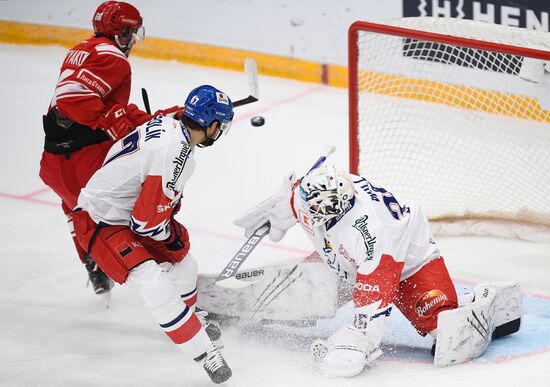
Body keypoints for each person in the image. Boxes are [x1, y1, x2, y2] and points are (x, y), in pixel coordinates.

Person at [234, 164, 522, 377]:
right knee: (299, 296)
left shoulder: (369, 236)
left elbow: (371, 312)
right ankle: (239, 303)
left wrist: (354, 341)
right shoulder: (311, 191)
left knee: (449, 335)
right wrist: (283, 210)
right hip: (346, 259)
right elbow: (296, 197)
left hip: (410, 263)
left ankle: (491, 302)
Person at [71, 85, 234, 383]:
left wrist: (171, 235)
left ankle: (188, 320)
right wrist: (169, 234)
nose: (220, 132)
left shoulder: (171, 122)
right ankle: (204, 352)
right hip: (99, 220)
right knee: (153, 282)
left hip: (123, 213)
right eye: (220, 126)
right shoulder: (175, 154)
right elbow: (146, 225)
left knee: (185, 263)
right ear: (211, 125)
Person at [39, 1, 179, 297]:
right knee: (144, 210)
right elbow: (71, 97)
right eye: (130, 33)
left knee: (80, 212)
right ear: (120, 31)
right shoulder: (114, 57)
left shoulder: (82, 49)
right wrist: (112, 122)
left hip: (55, 164)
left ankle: (96, 269)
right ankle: (171, 286)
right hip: (84, 163)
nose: (132, 41)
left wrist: (161, 118)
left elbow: (108, 106)